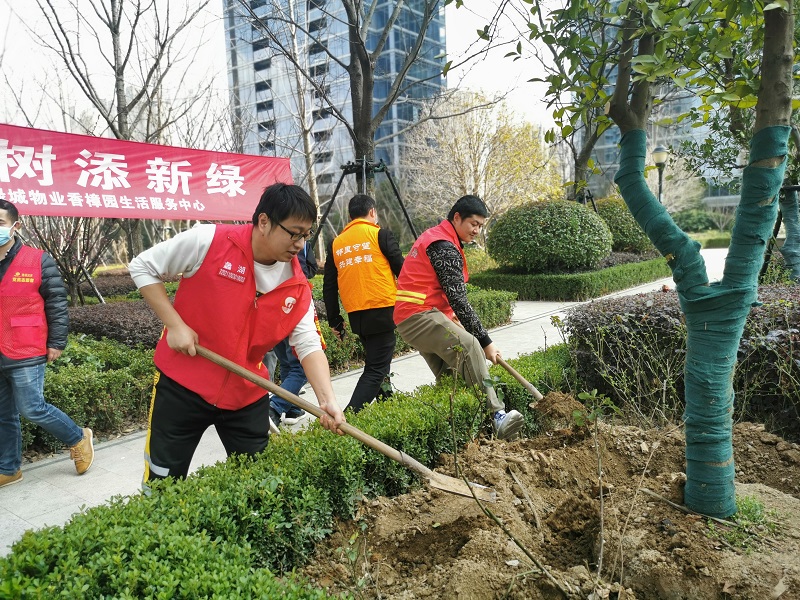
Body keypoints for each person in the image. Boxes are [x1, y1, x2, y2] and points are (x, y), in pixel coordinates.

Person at [128, 183, 345, 487]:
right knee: (162, 482)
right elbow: (142, 266)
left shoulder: (297, 287)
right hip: (181, 386)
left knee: (259, 486)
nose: (299, 244)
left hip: (246, 393)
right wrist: (175, 325)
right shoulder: (210, 241)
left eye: (306, 235)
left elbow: (309, 345)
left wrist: (327, 400)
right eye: (294, 233)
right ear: (264, 221)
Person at [393, 195, 524, 440]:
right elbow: (459, 300)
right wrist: (486, 342)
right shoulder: (443, 246)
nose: (477, 231)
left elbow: (442, 293)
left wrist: (453, 320)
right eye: (473, 224)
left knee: (452, 377)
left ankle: (461, 434)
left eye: (480, 226)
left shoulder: (437, 237)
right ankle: (497, 415)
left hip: (416, 317)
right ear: (456, 217)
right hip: (419, 315)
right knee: (470, 346)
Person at [0, 200, 94, 488]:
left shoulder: (37, 260)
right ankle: (9, 468)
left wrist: (56, 342)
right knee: (3, 414)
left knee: (32, 408)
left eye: (0, 223)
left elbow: (57, 304)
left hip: (26, 347)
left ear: (15, 226)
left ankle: (78, 437)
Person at [323, 194, 404, 413]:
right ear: (372, 212)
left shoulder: (336, 244)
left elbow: (329, 286)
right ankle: (350, 416)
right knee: (376, 368)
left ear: (350, 216)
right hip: (382, 309)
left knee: (378, 360)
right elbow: (404, 271)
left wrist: (335, 320)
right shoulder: (380, 235)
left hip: (357, 316)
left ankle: (387, 403)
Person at [268, 240, 318, 426]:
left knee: (288, 364)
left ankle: (292, 409)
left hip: (271, 312)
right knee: (303, 367)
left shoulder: (266, 247)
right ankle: (274, 407)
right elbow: (305, 271)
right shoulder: (297, 245)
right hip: (292, 309)